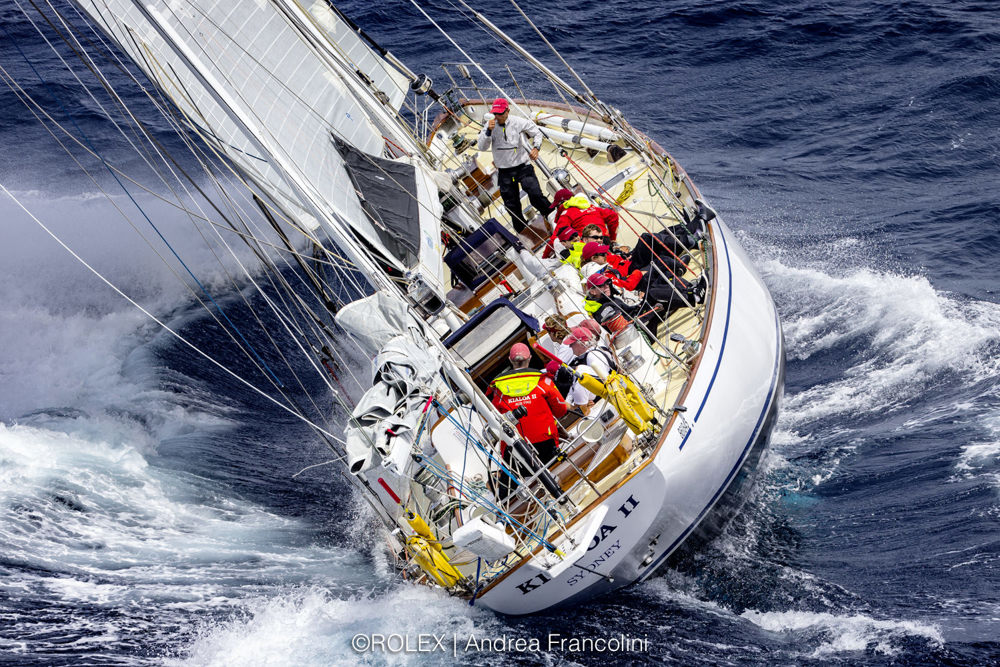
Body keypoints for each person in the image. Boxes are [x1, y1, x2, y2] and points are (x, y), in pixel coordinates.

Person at [487, 343, 569, 480]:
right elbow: (561, 410)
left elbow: (493, 419)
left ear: (509, 360)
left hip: (517, 452)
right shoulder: (543, 381)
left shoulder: (497, 390)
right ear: (530, 358)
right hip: (547, 446)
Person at [477, 98, 553, 234]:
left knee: (535, 195)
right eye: (495, 113)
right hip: (505, 173)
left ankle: (553, 218)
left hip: (523, 168)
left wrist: (536, 148)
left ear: (507, 111)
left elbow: (537, 132)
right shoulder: (489, 127)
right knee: (512, 206)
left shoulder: (518, 122)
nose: (497, 116)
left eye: (500, 113)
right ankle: (524, 233)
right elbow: (482, 147)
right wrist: (488, 131)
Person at [551, 192, 619, 241]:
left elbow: (555, 237)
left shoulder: (566, 214)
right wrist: (612, 238)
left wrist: (545, 256)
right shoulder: (591, 207)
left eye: (557, 206)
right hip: (604, 239)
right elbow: (613, 215)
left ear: (564, 202)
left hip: (587, 245)